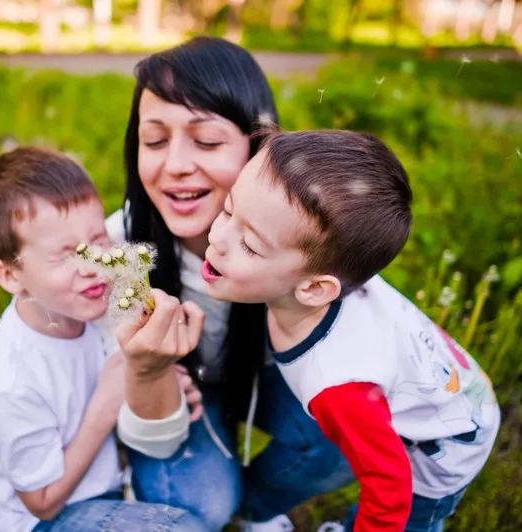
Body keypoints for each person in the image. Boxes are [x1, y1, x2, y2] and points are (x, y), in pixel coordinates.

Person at [97, 36, 356, 531]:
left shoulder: (302, 233)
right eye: (154, 141)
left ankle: (254, 509)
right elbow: (146, 431)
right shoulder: (119, 257)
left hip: (261, 373)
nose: (174, 164)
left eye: (208, 141)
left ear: (257, 148)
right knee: (201, 506)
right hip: (178, 398)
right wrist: (148, 371)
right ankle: (215, 497)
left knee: (348, 431)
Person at [200, 127, 502, 530]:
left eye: (251, 245)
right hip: (442, 379)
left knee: (409, 516)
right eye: (228, 209)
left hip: (445, 442)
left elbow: (390, 484)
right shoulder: (320, 276)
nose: (218, 238)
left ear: (314, 289)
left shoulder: (340, 387)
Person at [0, 146, 209, 532]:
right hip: (37, 522)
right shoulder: (9, 383)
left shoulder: (91, 311)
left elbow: (126, 378)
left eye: (99, 240)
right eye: (65, 256)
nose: (95, 267)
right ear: (10, 275)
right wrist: (105, 405)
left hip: (102, 490)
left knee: (203, 511)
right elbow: (42, 503)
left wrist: (157, 379)